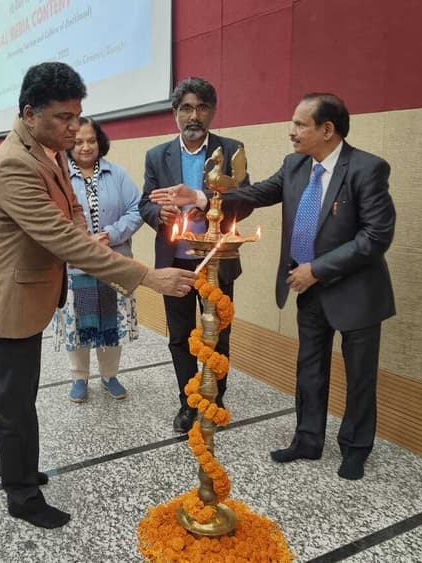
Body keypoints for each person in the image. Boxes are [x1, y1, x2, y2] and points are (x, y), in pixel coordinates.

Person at [0, 62, 196, 529]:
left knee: (19, 395)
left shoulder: (49, 149)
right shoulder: (14, 163)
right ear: (30, 113)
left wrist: (87, 236)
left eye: (77, 117)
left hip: (31, 295)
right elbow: (59, 236)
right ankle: (21, 495)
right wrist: (147, 276)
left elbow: (72, 211)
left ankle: (10, 465)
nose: (74, 129)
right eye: (64, 118)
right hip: (8, 301)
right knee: (14, 404)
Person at [151, 93, 396, 480]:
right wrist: (199, 195)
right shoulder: (295, 165)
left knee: (359, 375)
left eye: (300, 124)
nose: (291, 131)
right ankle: (308, 439)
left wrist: (317, 269)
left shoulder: (367, 169)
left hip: (356, 292)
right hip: (307, 287)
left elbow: (376, 236)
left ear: (327, 130)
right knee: (310, 368)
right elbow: (255, 193)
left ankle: (355, 448)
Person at [139, 77, 254, 433]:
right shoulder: (157, 156)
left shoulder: (231, 150)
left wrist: (205, 202)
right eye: (186, 108)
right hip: (174, 260)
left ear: (212, 112)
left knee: (219, 334)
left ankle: (214, 399)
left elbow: (246, 200)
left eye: (202, 108)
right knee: (179, 335)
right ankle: (188, 401)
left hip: (217, 259)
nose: (194, 116)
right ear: (175, 113)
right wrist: (159, 214)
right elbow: (145, 203)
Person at [53, 117, 143, 403]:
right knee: (79, 326)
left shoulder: (116, 173)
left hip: (113, 262)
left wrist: (110, 234)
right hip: (75, 267)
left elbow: (137, 209)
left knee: (111, 323)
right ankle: (79, 377)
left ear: (99, 141)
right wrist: (80, 242)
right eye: (78, 141)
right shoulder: (59, 176)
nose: (85, 147)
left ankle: (109, 375)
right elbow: (52, 217)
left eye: (91, 140)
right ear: (68, 144)